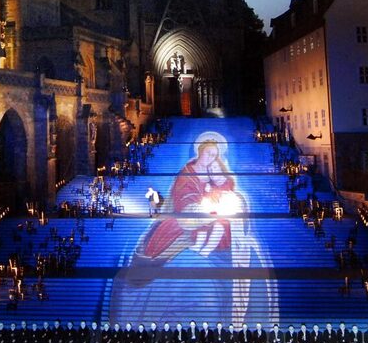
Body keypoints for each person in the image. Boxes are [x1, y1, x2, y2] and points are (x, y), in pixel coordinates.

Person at [109, 131, 277, 327]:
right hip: (184, 221)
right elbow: (186, 209)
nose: (211, 159)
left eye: (214, 155)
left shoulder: (215, 173)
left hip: (212, 220)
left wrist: (224, 201)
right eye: (208, 154)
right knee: (175, 233)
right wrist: (210, 208)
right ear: (200, 151)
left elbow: (228, 190)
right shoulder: (188, 173)